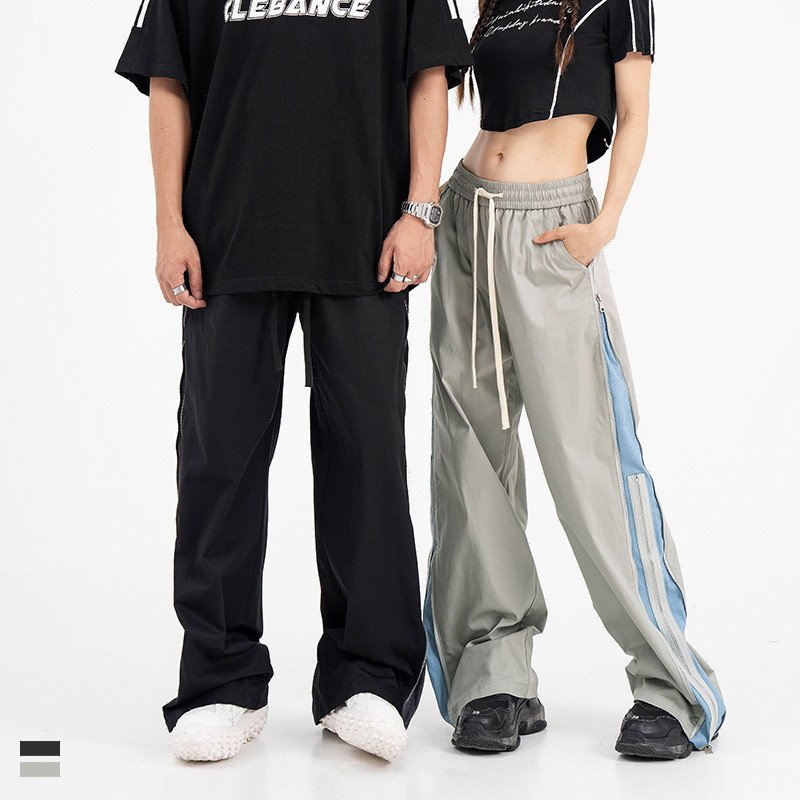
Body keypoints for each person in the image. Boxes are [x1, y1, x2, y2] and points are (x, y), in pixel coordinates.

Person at [115, 0, 471, 762]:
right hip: (227, 236)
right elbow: (169, 81)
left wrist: (421, 211)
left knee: (368, 456)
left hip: (365, 234)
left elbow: (430, 72)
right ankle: (220, 681)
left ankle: (368, 678)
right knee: (217, 459)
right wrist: (169, 223)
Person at [425, 0, 725, 759]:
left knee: (589, 457)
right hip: (466, 218)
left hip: (553, 229)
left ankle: (669, 684)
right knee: (471, 455)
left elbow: (635, 113)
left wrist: (606, 222)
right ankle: (495, 677)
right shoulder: (496, 4)